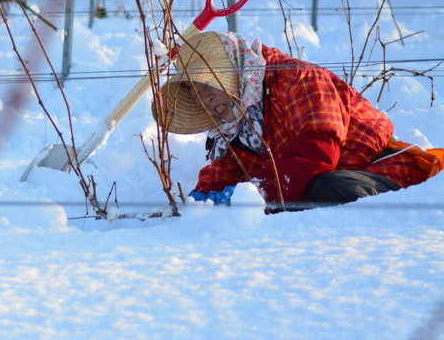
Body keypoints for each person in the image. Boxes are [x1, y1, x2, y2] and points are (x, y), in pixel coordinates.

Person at [153, 31, 444, 210]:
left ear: (234, 72)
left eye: (207, 85)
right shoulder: (240, 127)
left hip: (384, 171)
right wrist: (199, 201)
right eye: (195, 92)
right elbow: (227, 171)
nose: (204, 99)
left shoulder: (297, 79)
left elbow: (317, 151)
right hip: (318, 183)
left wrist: (250, 195)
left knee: (327, 189)